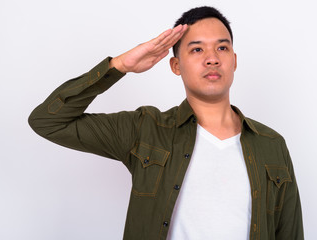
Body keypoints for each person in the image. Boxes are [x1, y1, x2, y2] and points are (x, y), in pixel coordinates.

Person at [28, 6, 304, 240]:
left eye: (222, 47)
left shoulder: (271, 144)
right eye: (197, 50)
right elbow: (48, 121)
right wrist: (119, 65)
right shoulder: (146, 130)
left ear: (234, 61)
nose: (212, 58)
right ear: (175, 66)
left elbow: (290, 232)